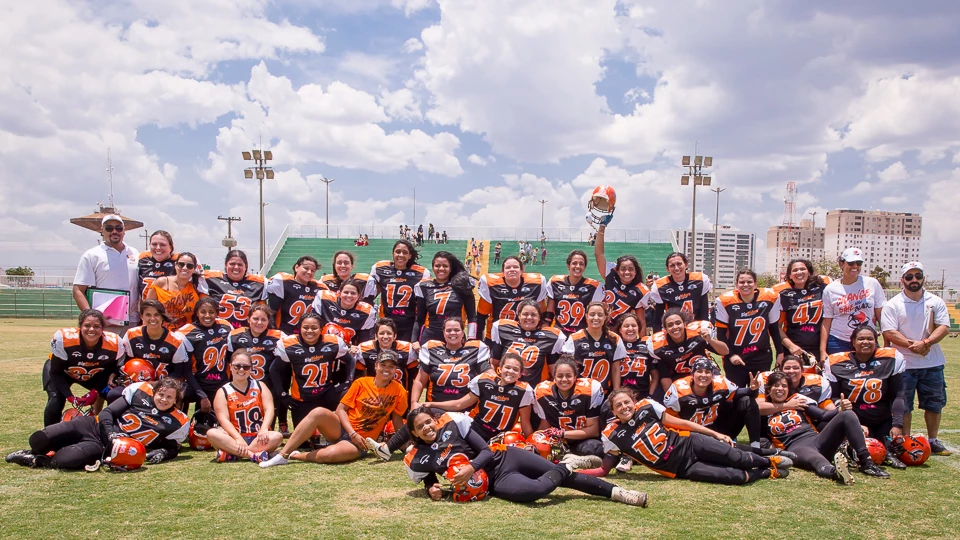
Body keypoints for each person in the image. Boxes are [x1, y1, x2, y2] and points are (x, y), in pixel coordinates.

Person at [402, 408, 648, 506]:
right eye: (420, 427)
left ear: (435, 420)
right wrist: (429, 488)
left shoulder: (452, 423)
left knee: (567, 480)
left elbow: (486, 450)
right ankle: (567, 464)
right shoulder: (416, 456)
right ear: (413, 432)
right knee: (533, 493)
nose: (427, 428)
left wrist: (470, 468)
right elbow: (428, 474)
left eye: (428, 422)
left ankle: (617, 493)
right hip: (493, 483)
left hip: (504, 458)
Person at [584, 389, 792, 484]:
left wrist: (714, 433)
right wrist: (580, 474)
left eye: (626, 402)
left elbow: (681, 423)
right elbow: (605, 468)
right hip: (680, 468)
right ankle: (767, 473)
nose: (624, 407)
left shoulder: (647, 407)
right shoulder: (610, 434)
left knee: (737, 458)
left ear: (633, 401)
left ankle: (768, 460)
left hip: (689, 444)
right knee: (734, 477)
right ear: (613, 411)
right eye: (618, 405)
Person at [263, 349, 409, 467]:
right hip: (342, 428)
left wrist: (403, 444)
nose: (387, 369)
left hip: (361, 442)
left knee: (330, 454)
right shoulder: (361, 383)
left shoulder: (399, 391)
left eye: (391, 366)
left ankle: (296, 456)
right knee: (318, 412)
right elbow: (340, 410)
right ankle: (283, 454)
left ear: (396, 369)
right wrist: (352, 433)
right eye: (383, 365)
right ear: (376, 365)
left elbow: (396, 419)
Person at [7, 378, 189, 470]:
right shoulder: (139, 392)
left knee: (67, 460)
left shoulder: (177, 421)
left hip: (103, 447)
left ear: (176, 400)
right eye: (161, 394)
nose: (163, 399)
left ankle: (38, 460)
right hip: (92, 426)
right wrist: (111, 434)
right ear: (154, 391)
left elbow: (173, 447)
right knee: (38, 439)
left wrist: (164, 453)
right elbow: (107, 412)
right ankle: (34, 450)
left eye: (169, 397)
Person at [763, 371, 889, 482]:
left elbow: (823, 416)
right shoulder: (763, 412)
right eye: (776, 385)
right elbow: (760, 437)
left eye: (784, 386)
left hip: (816, 438)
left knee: (847, 415)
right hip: (796, 447)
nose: (780, 389)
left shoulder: (797, 400)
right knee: (816, 460)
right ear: (768, 390)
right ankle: (836, 473)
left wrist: (840, 409)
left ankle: (866, 463)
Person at [881, 261, 951, 455]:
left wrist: (926, 343)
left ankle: (933, 440)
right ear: (902, 279)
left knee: (934, 404)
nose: (914, 280)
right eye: (909, 276)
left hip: (932, 362)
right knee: (904, 405)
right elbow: (889, 332)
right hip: (904, 364)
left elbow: (944, 327)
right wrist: (915, 346)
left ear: (923, 278)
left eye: (918, 276)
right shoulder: (893, 304)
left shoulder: (935, 301)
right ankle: (905, 441)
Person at [823, 324, 907, 468]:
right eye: (861, 339)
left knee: (890, 447)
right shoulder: (836, 362)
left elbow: (898, 395)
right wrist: (841, 406)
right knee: (864, 450)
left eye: (870, 339)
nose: (865, 342)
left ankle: (887, 452)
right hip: (855, 418)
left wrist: (897, 424)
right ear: (853, 342)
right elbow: (833, 396)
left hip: (881, 417)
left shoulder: (890, 358)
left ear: (876, 341)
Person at [663, 357, 771, 453]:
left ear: (712, 374)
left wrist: (752, 389)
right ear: (692, 374)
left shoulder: (720, 384)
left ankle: (756, 447)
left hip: (717, 430)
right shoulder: (679, 391)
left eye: (707, 372)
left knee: (746, 400)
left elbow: (744, 395)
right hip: (691, 435)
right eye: (699, 371)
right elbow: (668, 420)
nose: (703, 375)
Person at [422, 352, 536, 441]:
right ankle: (411, 445)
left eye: (516, 369)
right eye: (508, 367)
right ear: (500, 369)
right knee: (428, 411)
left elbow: (525, 423)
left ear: (521, 374)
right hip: (475, 429)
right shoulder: (484, 381)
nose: (511, 371)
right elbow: (460, 404)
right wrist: (432, 404)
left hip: (499, 437)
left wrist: (530, 443)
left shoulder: (524, 390)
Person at [43, 309, 124, 426]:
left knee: (116, 396)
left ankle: (112, 432)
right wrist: (69, 396)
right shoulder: (65, 340)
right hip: (63, 373)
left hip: (93, 374)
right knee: (56, 401)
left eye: (96, 326)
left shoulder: (114, 344)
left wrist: (95, 391)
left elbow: (107, 372)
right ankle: (49, 437)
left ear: (103, 328)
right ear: (80, 327)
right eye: (87, 325)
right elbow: (56, 373)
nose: (91, 329)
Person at [271, 313, 350, 427]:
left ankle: (345, 429)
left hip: (326, 393)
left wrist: (348, 382)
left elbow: (350, 360)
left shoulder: (332, 342)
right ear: (299, 328)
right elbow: (274, 370)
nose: (310, 331)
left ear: (321, 329)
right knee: (306, 443)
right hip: (303, 398)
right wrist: (283, 394)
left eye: (314, 328)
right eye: (305, 327)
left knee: (351, 395)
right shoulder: (289, 345)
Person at [206, 350, 283, 462]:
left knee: (277, 436)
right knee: (211, 433)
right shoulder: (223, 391)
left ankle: (233, 454)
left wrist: (264, 429)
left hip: (258, 438)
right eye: (237, 366)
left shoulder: (260, 386)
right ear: (230, 367)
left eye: (246, 367)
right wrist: (238, 438)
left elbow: (269, 409)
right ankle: (254, 455)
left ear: (251, 368)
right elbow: (224, 420)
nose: (241, 370)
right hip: (234, 439)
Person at [73, 214, 140, 334]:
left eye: (118, 228)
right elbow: (78, 290)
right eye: (109, 228)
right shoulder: (92, 255)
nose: (114, 231)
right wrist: (93, 318)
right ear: (102, 231)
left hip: (133, 322)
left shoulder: (134, 253)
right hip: (106, 323)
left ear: (124, 231)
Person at [714, 269, 783, 387]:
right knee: (735, 395)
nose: (745, 285)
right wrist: (730, 355)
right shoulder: (725, 301)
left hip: (761, 356)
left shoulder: (770, 298)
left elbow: (774, 329)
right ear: (736, 284)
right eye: (742, 282)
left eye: (749, 282)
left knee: (761, 393)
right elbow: (721, 334)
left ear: (756, 283)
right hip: (736, 356)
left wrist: (780, 353)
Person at [533, 356, 605, 460]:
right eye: (560, 376)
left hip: (584, 440)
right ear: (554, 377)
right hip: (559, 442)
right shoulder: (543, 393)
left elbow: (594, 430)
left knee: (593, 449)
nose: (564, 379)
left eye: (568, 376)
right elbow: (545, 424)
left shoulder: (588, 391)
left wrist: (563, 433)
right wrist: (536, 440)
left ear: (575, 377)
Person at [412, 318, 490, 411]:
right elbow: (420, 381)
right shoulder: (432, 349)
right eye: (448, 330)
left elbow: (488, 374)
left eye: (457, 330)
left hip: (466, 411)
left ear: (462, 332)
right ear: (443, 333)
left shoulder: (475, 350)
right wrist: (414, 403)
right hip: (434, 407)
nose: (452, 333)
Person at [820, 248, 885, 357]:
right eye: (850, 263)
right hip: (838, 340)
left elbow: (881, 315)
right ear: (841, 264)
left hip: (866, 340)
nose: (855, 266)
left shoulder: (872, 283)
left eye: (858, 263)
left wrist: (886, 343)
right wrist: (822, 351)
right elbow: (826, 321)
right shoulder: (830, 289)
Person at [364, 239, 431, 346]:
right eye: (398, 251)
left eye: (405, 252)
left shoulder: (421, 273)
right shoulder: (380, 269)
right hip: (387, 323)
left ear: (410, 255)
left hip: (409, 324)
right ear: (392, 253)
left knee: (406, 356)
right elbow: (371, 293)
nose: (401, 255)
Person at [648, 309, 728, 394]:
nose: (675, 327)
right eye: (670, 325)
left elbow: (725, 351)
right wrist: (672, 396)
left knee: (723, 389)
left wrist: (710, 340)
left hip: (704, 371)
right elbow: (665, 375)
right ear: (665, 329)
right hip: (680, 378)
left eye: (678, 323)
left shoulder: (697, 334)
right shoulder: (660, 346)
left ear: (685, 324)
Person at [179, 297, 234, 414]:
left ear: (217, 313)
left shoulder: (225, 326)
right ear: (197, 313)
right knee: (176, 394)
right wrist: (201, 395)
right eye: (203, 312)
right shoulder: (186, 332)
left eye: (212, 312)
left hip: (221, 382)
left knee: (216, 421)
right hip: (197, 384)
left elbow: (231, 356)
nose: (207, 315)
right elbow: (186, 370)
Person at [490, 299, 565, 386]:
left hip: (532, 388)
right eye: (525, 314)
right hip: (505, 385)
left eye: (533, 315)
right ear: (519, 315)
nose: (529, 317)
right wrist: (494, 383)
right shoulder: (503, 328)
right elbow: (493, 363)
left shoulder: (551, 336)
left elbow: (554, 371)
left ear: (539, 317)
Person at [773, 259, 831, 364]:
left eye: (802, 269)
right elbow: (776, 326)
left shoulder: (823, 288)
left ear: (809, 272)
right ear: (789, 275)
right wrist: (791, 346)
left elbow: (828, 319)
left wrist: (823, 349)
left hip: (819, 345)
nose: (799, 272)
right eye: (795, 270)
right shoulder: (784, 294)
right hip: (794, 347)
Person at [477, 256, 548, 340]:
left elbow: (542, 314)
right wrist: (478, 340)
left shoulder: (536, 284)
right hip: (499, 336)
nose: (512, 269)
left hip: (527, 335)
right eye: (508, 267)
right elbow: (481, 316)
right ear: (503, 272)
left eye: (515, 267)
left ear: (522, 270)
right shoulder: (492, 285)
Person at [413, 251, 477, 343]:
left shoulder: (462, 285)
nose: (441, 268)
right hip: (431, 337)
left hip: (455, 336)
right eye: (437, 266)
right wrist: (414, 340)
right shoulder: (424, 286)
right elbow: (419, 318)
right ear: (433, 267)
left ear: (450, 268)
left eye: (445, 266)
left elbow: (472, 317)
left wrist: (472, 339)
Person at [561, 302, 624, 395]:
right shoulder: (574, 339)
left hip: (604, 392)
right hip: (580, 392)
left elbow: (615, 369)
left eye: (600, 315)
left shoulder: (615, 339)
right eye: (592, 314)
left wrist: (616, 392)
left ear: (605, 317)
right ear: (586, 316)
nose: (596, 318)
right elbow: (567, 367)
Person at [594, 224, 648, 331]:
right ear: (617, 271)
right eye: (623, 269)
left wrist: (641, 342)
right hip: (599, 326)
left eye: (631, 269)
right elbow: (598, 253)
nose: (627, 272)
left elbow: (641, 321)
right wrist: (602, 227)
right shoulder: (610, 274)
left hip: (619, 331)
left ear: (636, 271)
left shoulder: (641, 290)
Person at [120, 300, 189, 381]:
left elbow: (178, 372)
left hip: (164, 386)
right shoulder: (131, 335)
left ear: (162, 316)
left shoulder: (176, 341)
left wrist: (158, 384)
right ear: (141, 316)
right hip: (136, 382)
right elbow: (126, 363)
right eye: (148, 315)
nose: (152, 319)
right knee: (114, 394)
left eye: (156, 315)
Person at [643, 252, 713, 331]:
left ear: (686, 265)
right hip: (675, 330)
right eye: (672, 265)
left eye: (679, 264)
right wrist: (657, 336)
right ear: (667, 269)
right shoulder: (660, 286)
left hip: (696, 327)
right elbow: (658, 318)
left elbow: (704, 312)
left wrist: (704, 329)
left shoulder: (700, 280)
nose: (676, 268)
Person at [756, 354, 834, 420]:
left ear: (802, 370)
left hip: (805, 425)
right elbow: (758, 407)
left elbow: (827, 410)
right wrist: (787, 406)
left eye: (796, 368)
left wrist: (841, 409)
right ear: (780, 370)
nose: (791, 371)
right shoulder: (766, 379)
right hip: (772, 424)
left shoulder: (818, 382)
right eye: (787, 368)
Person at [545, 250, 604, 336]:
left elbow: (595, 314)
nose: (578, 266)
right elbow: (549, 313)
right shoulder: (555, 282)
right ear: (568, 266)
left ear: (585, 267)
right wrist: (547, 328)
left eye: (581, 264)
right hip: (559, 333)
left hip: (582, 334)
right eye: (574, 263)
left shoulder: (594, 287)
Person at [204, 250, 267, 329]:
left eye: (240, 264)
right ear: (225, 265)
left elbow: (264, 313)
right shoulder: (211, 279)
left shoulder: (258, 284)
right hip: (217, 333)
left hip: (245, 335)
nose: (236, 267)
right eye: (232, 264)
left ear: (246, 266)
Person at [266, 255, 327, 335]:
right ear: (296, 267)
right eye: (306, 268)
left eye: (313, 270)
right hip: (285, 334)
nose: (309, 272)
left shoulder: (320, 288)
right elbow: (271, 312)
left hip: (309, 336)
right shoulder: (283, 283)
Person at [355, 318, 418, 391]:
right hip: (374, 394)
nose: (385, 337)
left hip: (399, 395)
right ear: (376, 336)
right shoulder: (364, 349)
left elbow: (416, 377)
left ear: (395, 336)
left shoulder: (407, 349)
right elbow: (358, 377)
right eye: (381, 333)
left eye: (389, 333)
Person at [146, 252, 204, 331]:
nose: (184, 268)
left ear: (194, 269)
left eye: (189, 266)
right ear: (175, 265)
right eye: (181, 264)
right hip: (162, 332)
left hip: (186, 334)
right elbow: (147, 309)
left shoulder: (195, 287)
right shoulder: (161, 283)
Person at [311, 279, 376, 348]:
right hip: (322, 345)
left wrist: (354, 348)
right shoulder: (324, 299)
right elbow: (313, 325)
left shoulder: (366, 312)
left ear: (358, 296)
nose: (349, 295)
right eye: (346, 292)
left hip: (349, 349)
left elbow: (365, 342)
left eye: (353, 293)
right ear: (339, 293)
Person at [615, 313, 658, 401]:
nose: (630, 328)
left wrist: (650, 395)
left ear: (638, 328)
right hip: (621, 396)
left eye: (634, 325)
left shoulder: (647, 346)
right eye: (626, 326)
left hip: (643, 395)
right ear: (620, 329)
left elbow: (655, 376)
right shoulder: (614, 346)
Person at [137, 230, 177, 299]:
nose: (158, 248)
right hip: (147, 308)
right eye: (154, 244)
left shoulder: (179, 264)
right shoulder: (141, 262)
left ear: (171, 247)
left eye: (162, 245)